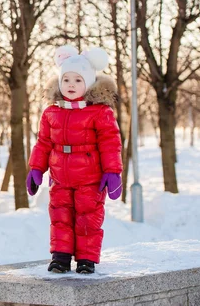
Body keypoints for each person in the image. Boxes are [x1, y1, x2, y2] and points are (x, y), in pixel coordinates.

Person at [26, 45, 123, 274]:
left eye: (78, 80)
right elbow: (43, 142)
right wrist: (36, 168)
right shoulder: (51, 112)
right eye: (66, 79)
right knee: (60, 216)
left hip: (90, 178)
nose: (71, 85)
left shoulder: (100, 112)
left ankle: (86, 260)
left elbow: (110, 142)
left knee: (88, 218)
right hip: (60, 177)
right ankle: (60, 257)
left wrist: (113, 172)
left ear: (88, 83)